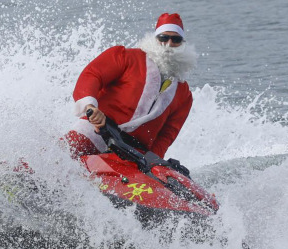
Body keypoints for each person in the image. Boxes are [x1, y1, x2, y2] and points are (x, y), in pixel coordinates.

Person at [65, 12, 198, 159]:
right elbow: (92, 75)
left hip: (133, 153)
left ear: (182, 43)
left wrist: (153, 161)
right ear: (155, 39)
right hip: (96, 130)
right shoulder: (125, 57)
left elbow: (166, 136)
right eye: (164, 38)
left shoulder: (184, 95)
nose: (169, 44)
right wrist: (90, 108)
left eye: (176, 39)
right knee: (61, 155)